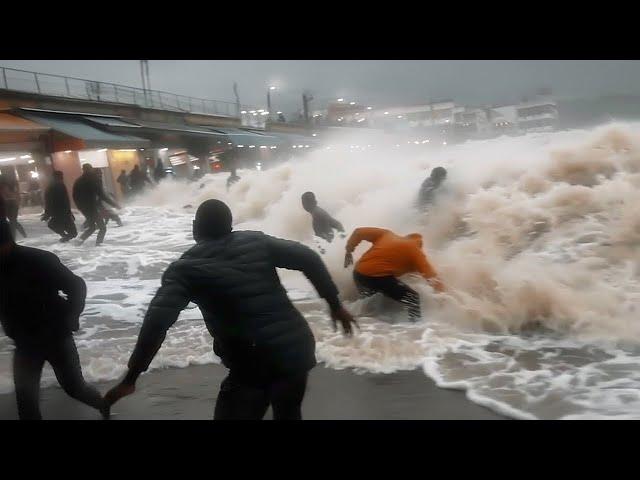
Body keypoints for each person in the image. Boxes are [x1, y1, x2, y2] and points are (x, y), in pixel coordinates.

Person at [104, 199, 357, 420]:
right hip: (296, 347)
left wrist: (131, 377)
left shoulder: (184, 269)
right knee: (288, 413)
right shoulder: (256, 241)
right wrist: (335, 305)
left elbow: (157, 321)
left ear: (195, 228)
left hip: (252, 362)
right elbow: (308, 257)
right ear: (230, 225)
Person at [0, 197, 107, 420]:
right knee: (26, 401)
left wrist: (72, 317)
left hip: (56, 338)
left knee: (74, 388)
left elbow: (76, 286)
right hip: (24, 344)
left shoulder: (39, 260)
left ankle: (104, 406)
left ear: (6, 243)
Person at [344, 227, 444, 322]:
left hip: (358, 273)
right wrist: (443, 297)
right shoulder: (415, 251)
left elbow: (358, 232)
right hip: (376, 278)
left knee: (368, 305)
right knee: (413, 298)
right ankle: (416, 327)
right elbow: (432, 277)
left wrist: (349, 250)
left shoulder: (387, 235)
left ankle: (359, 321)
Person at [72, 164, 120, 246]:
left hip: (85, 207)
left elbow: (74, 195)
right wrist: (115, 204)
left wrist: (80, 207)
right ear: (90, 169)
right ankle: (98, 245)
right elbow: (102, 195)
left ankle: (79, 242)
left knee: (92, 227)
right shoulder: (93, 180)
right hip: (92, 207)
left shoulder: (78, 180)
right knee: (102, 228)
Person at [41, 170, 77, 242]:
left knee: (55, 225)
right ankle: (64, 239)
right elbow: (64, 200)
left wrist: (47, 212)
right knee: (73, 233)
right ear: (58, 177)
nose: (62, 178)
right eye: (61, 176)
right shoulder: (59, 185)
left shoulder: (50, 186)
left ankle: (64, 238)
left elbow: (48, 200)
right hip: (63, 212)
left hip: (57, 212)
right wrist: (69, 212)